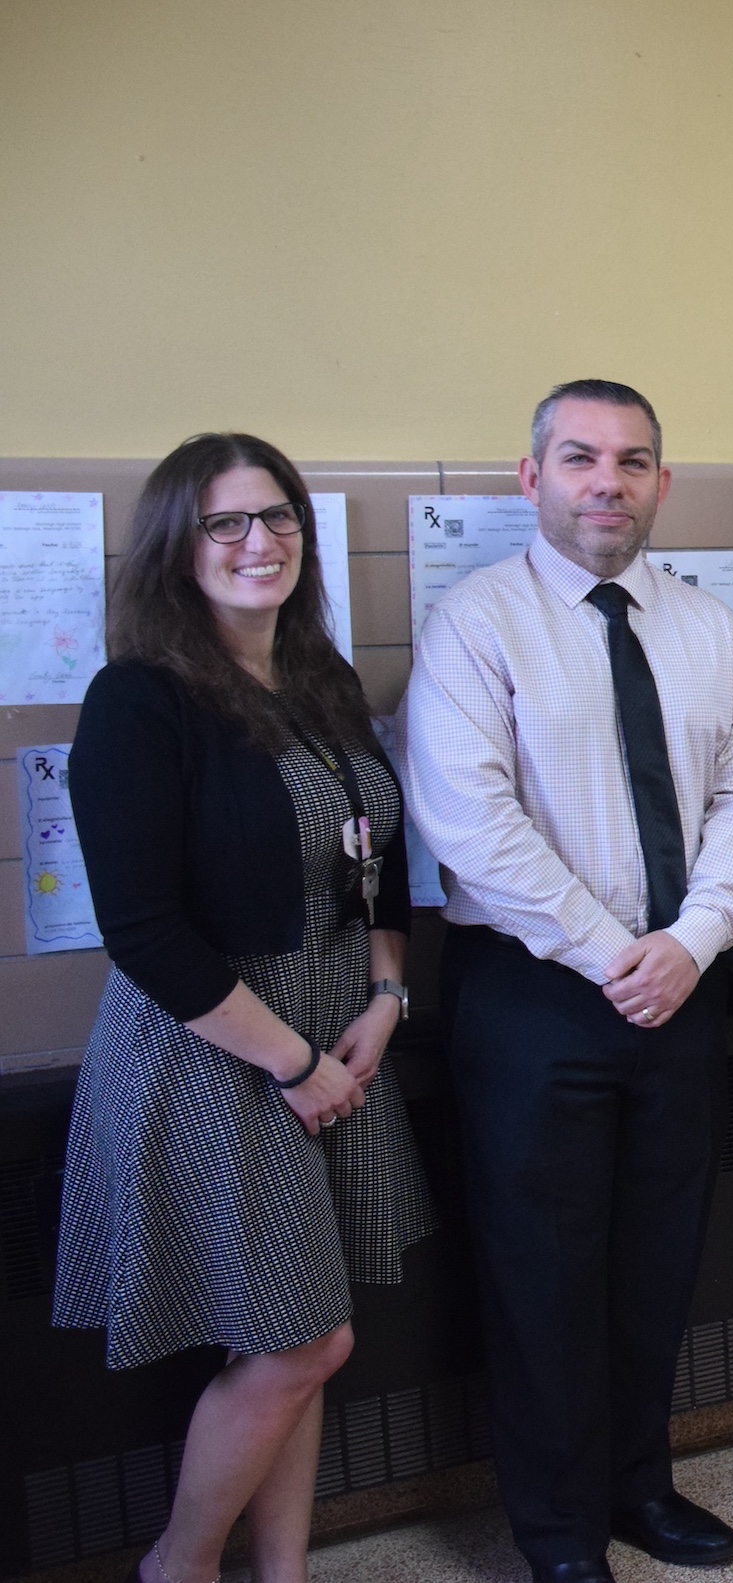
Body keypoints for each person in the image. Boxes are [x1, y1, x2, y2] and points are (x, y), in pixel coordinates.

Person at [406, 381, 733, 1581]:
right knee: (543, 1274)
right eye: (581, 457)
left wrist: (696, 936)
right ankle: (560, 1532)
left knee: (656, 1258)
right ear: (533, 478)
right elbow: (471, 818)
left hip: (679, 983)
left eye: (632, 460)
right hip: (534, 996)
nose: (607, 481)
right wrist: (605, 947)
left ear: (663, 483)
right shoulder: (476, 621)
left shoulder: (704, 627)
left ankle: (639, 1485)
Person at [54, 433, 432, 1583]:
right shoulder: (140, 700)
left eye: (276, 517)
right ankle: (178, 1564)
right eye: (226, 523)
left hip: (333, 1023)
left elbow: (380, 856)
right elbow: (145, 930)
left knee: (296, 1337)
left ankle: (284, 1571)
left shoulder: (317, 679)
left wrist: (385, 993)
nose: (258, 542)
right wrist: (295, 1063)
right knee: (304, 1334)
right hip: (216, 1044)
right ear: (178, 546)